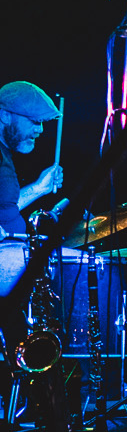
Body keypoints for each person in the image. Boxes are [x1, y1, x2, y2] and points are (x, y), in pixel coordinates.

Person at [0, 82, 65, 299]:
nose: (40, 130)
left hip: (10, 252)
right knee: (73, 271)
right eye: (34, 122)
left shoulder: (4, 154)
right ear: (5, 116)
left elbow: (5, 209)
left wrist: (39, 188)